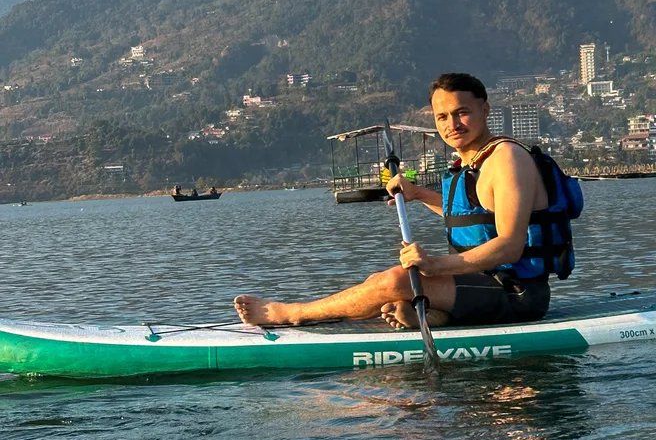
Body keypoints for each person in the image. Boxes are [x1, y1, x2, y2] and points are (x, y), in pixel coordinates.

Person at [233, 72, 580, 330]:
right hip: (483, 284)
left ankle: (290, 314)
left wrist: (434, 265)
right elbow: (474, 218)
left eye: (462, 112)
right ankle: (432, 314)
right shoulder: (473, 160)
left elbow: (509, 248)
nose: (452, 124)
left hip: (519, 294)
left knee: (397, 281)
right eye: (442, 117)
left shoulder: (506, 159)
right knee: (377, 283)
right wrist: (418, 195)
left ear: (485, 110)